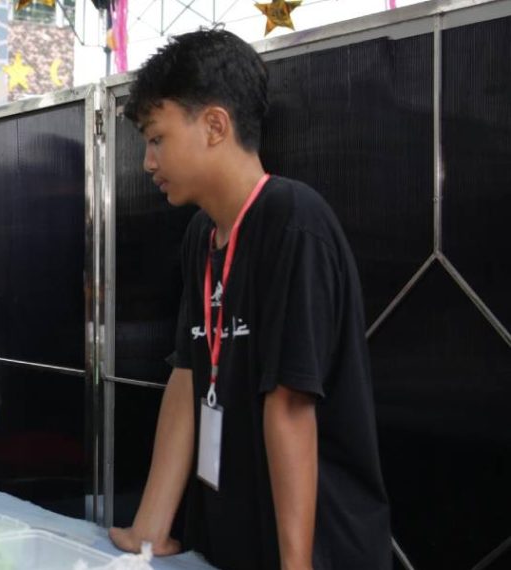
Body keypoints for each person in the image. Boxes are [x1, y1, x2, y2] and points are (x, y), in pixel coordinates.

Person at [107, 30, 391, 569]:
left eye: (157, 138)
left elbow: (290, 406)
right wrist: (151, 528)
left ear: (215, 125)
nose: (148, 161)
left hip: (313, 545)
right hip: (231, 532)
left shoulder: (294, 224)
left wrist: (296, 565)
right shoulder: (201, 235)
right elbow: (189, 375)